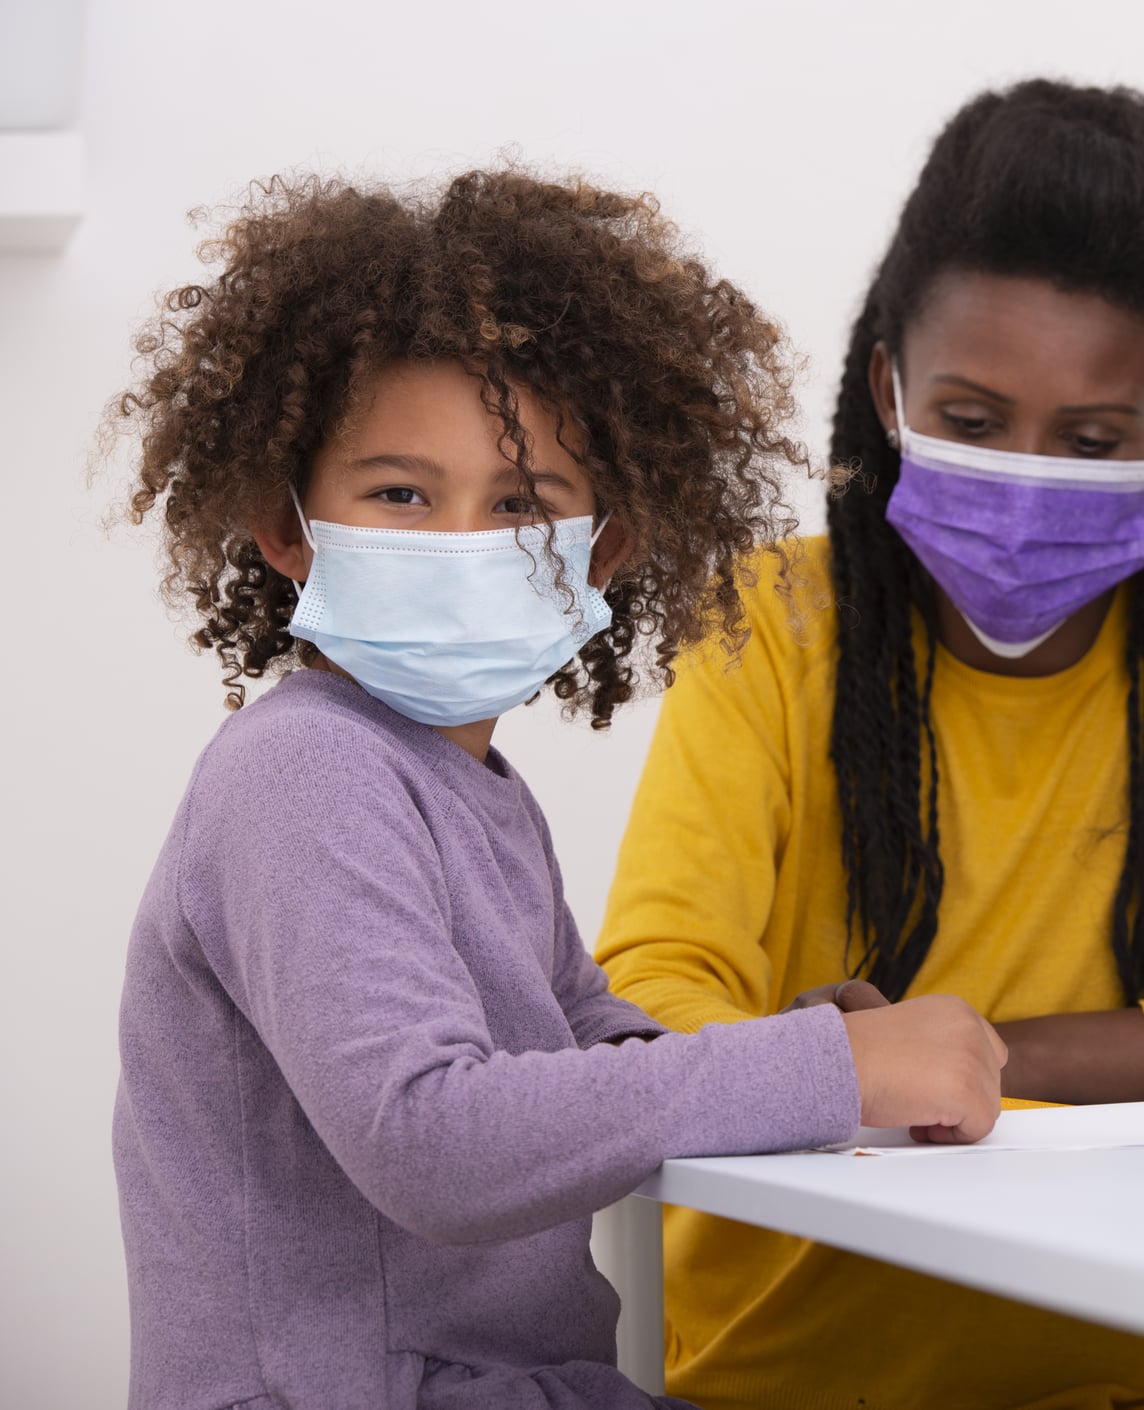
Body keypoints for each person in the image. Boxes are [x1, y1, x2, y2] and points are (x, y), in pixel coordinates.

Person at [597, 82, 1144, 1409]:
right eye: (968, 419)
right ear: (887, 388)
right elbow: (645, 1015)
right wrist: (833, 1064)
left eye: (1089, 440)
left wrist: (974, 1057)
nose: (1024, 477)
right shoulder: (774, 628)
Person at [108, 168, 1005, 1410]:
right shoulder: (302, 772)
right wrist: (829, 1071)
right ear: (286, 525)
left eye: (523, 506)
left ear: (607, 552)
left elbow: (579, 1038)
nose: (464, 544)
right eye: (401, 494)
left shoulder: (471, 784)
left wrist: (799, 1045)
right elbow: (431, 1139)